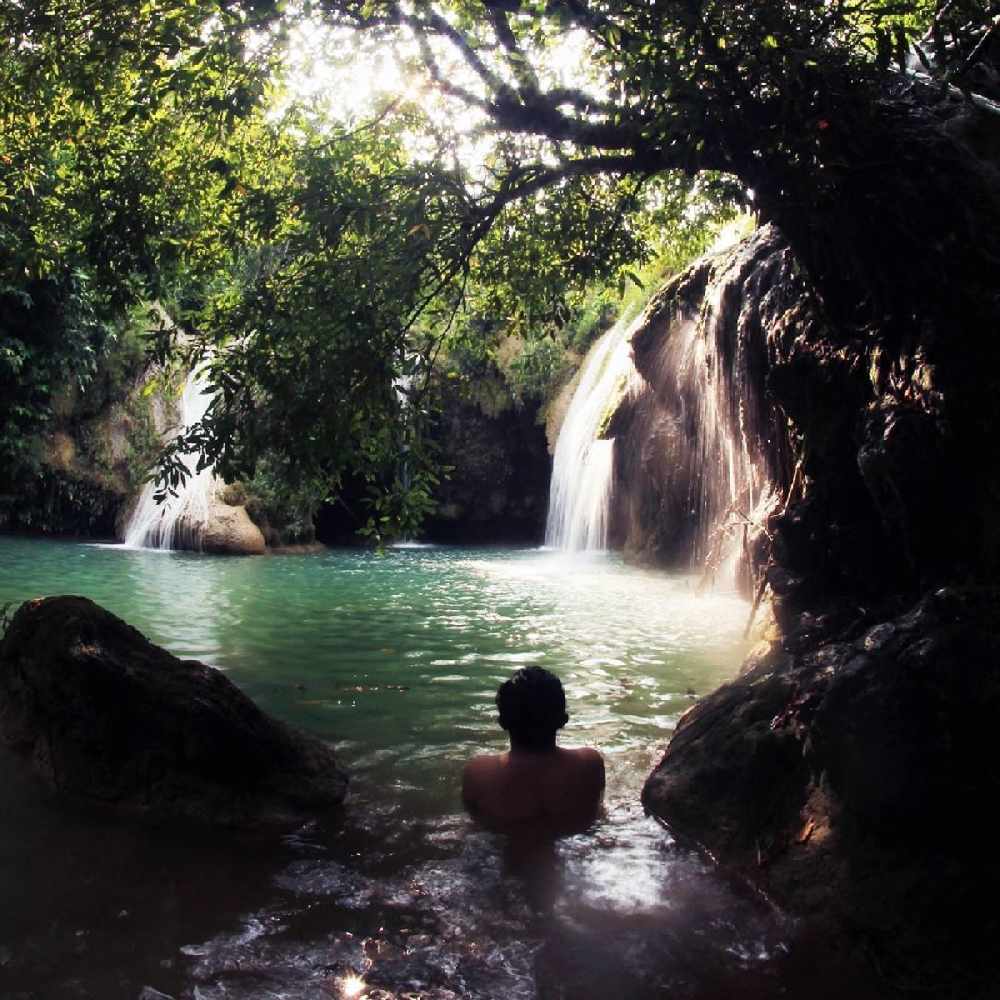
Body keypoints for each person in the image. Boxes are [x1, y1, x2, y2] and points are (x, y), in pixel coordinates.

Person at [462, 666, 605, 835]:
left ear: (502, 722)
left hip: (504, 853)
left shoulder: (479, 772)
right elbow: (598, 813)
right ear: (563, 720)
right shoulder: (589, 764)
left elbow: (474, 825)